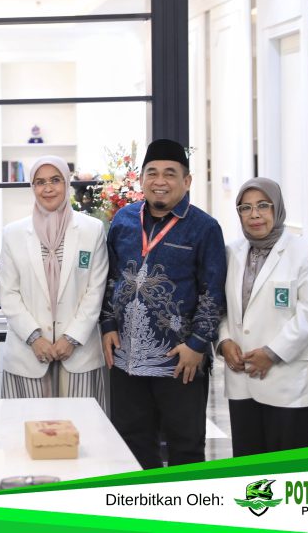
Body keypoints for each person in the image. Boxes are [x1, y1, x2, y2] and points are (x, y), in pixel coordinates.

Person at [99, 138, 226, 469]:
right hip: (126, 358)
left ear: (187, 180)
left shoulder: (204, 228)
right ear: (141, 180)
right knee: (132, 445)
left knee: (186, 447)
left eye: (170, 173)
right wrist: (108, 325)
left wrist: (197, 344)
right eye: (152, 173)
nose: (160, 181)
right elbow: (110, 277)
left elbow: (213, 292)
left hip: (179, 360)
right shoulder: (123, 220)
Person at [218, 177, 308, 456]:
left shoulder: (307, 253)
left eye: (263, 205)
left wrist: (272, 352)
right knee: (247, 466)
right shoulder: (230, 253)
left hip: (287, 380)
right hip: (241, 377)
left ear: (277, 208)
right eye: (245, 208)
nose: (254, 215)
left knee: (287, 467)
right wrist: (224, 341)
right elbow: (220, 306)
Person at [0, 156, 109, 406]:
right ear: (32, 187)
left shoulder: (92, 230)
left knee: (82, 427)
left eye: (55, 180)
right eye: (40, 182)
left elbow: (95, 291)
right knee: (27, 427)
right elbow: (8, 293)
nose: (48, 188)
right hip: (27, 353)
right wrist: (34, 338)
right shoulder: (13, 233)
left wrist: (71, 338)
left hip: (79, 354)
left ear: (67, 183)